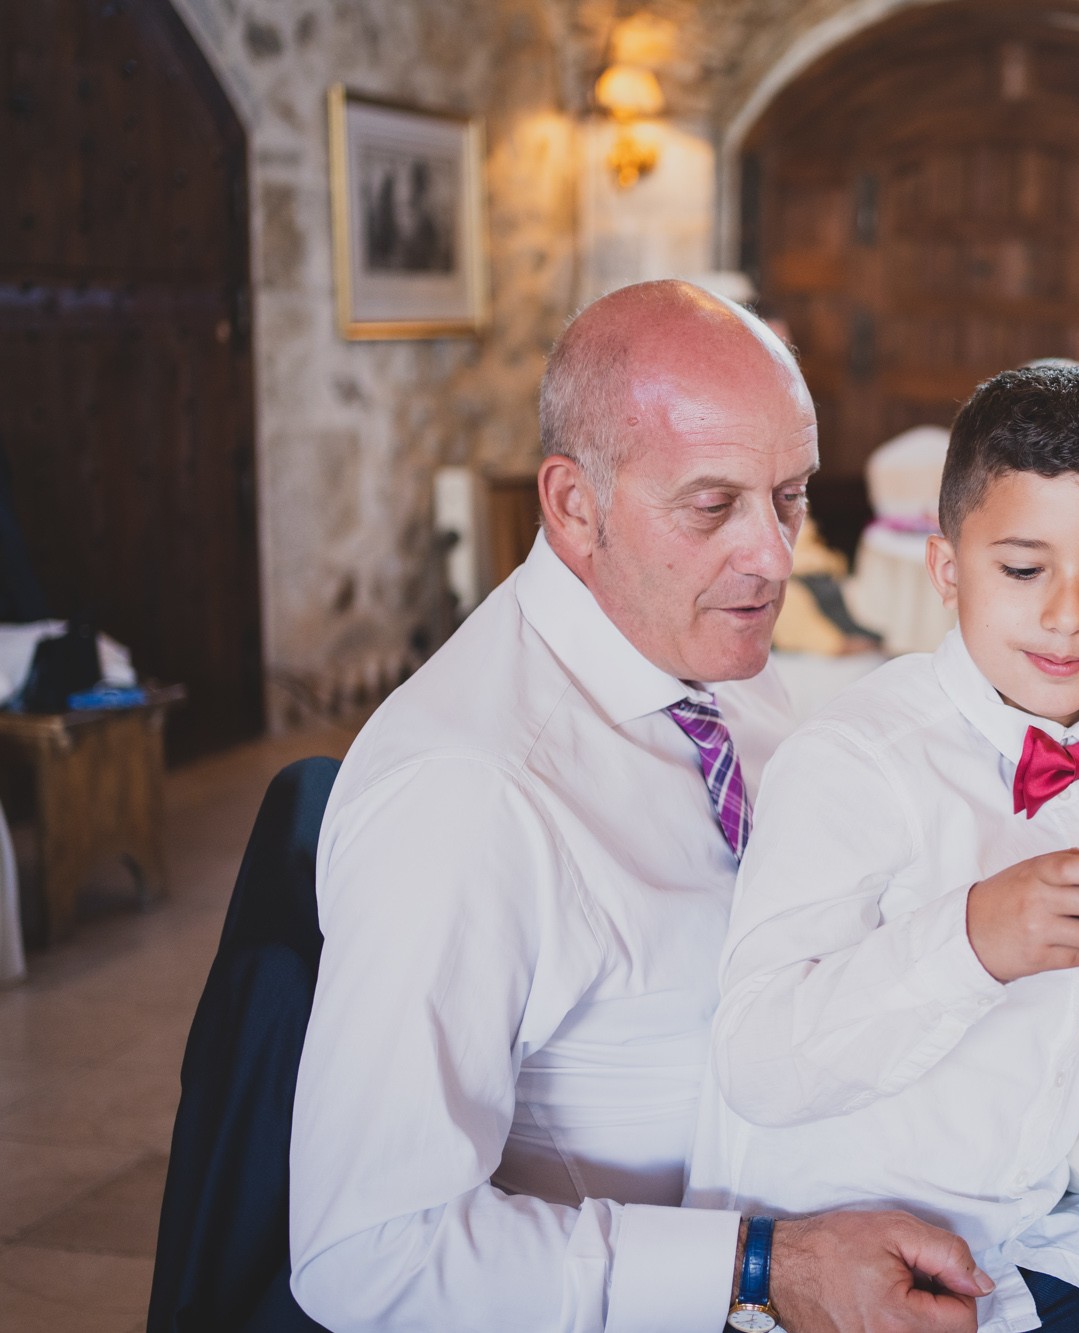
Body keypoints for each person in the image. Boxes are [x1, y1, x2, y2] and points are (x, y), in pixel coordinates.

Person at [289, 281, 991, 1333]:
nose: (774, 555)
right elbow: (368, 1256)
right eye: (712, 506)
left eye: (789, 495)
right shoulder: (469, 795)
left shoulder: (716, 659)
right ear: (575, 505)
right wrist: (767, 1266)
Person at [690, 366, 1079, 1333]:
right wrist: (972, 940)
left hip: (1033, 1249)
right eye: (1023, 570)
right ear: (947, 570)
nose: (1067, 614)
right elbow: (758, 1066)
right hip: (843, 1280)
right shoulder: (857, 759)